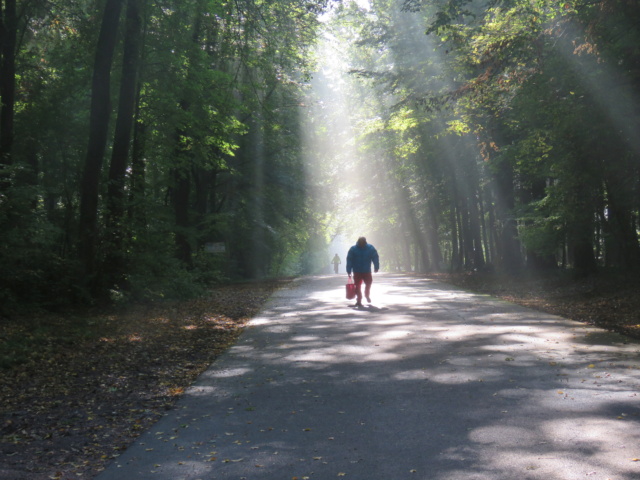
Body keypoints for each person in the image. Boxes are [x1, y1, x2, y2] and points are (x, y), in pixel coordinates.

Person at [346, 237, 379, 307]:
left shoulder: (370, 248)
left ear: (365, 242)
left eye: (363, 242)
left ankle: (367, 295)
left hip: (367, 270)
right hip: (357, 271)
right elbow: (349, 260)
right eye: (360, 242)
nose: (362, 243)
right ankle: (359, 300)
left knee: (368, 283)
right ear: (358, 242)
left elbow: (375, 257)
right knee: (357, 286)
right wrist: (349, 270)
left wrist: (376, 266)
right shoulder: (353, 249)